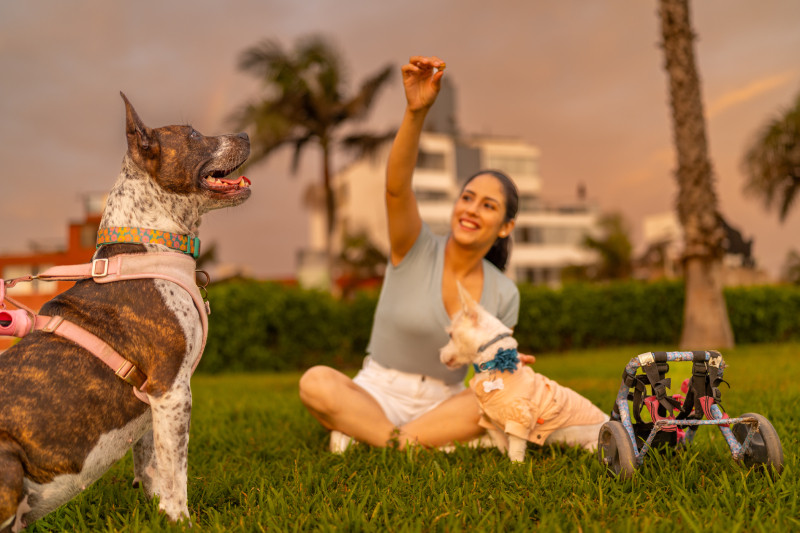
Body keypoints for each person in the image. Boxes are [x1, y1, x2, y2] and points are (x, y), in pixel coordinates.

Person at [298, 55, 533, 451]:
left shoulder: (505, 294)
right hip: (377, 391)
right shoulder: (414, 246)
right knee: (315, 383)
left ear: (505, 227)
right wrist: (415, 111)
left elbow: (487, 374)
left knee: (500, 391)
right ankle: (413, 442)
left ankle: (375, 435)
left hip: (444, 402)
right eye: (468, 197)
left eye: (488, 206)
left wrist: (508, 365)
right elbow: (396, 188)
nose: (472, 209)